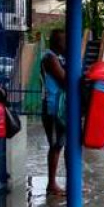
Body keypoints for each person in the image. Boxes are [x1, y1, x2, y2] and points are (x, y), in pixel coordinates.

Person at [41, 29, 66, 196]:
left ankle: (56, 182)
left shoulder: (57, 57)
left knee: (60, 144)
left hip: (59, 107)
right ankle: (51, 183)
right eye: (64, 42)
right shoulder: (50, 58)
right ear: (58, 43)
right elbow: (64, 79)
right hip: (53, 107)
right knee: (56, 145)